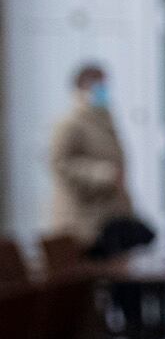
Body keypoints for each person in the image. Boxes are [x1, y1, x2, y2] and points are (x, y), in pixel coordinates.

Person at [49, 63, 154, 260]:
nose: (104, 91)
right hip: (85, 219)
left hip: (111, 215)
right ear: (83, 87)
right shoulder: (70, 123)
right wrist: (103, 174)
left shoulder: (104, 120)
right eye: (98, 86)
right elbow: (60, 164)